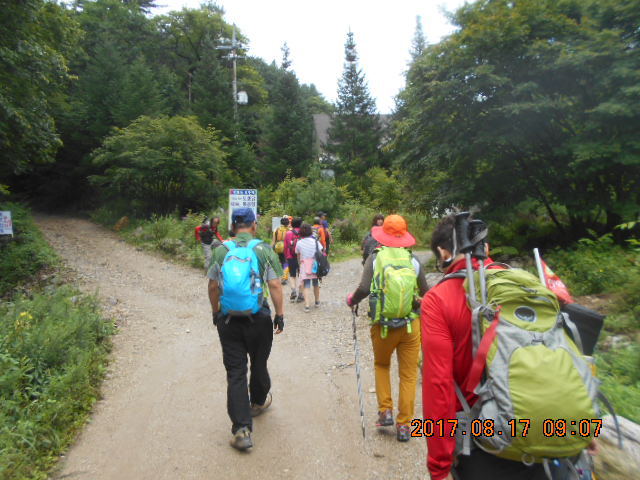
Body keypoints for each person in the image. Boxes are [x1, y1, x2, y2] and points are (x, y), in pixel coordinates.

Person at [420, 215, 598, 480]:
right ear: (485, 247)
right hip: (554, 436)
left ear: (443, 252)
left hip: (485, 445)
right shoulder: (525, 286)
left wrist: (439, 464)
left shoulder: (438, 300)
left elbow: (438, 386)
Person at [207, 207, 285, 451]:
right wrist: (280, 314)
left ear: (233, 226)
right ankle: (258, 401)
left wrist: (215, 312)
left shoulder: (221, 250)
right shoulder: (264, 249)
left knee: (236, 373)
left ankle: (241, 430)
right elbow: (275, 284)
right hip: (258, 318)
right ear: (253, 225)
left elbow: (213, 286)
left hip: (228, 320)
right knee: (259, 363)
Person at [346, 214, 428, 442]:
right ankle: (404, 425)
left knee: (382, 365)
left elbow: (364, 288)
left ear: (382, 235)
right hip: (410, 325)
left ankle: (385, 412)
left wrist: (352, 300)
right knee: (408, 375)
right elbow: (426, 292)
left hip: (382, 325)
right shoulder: (413, 260)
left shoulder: (375, 258)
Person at [295, 223, 323, 313]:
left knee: (306, 285)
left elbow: (298, 255)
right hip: (315, 265)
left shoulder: (299, 243)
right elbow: (321, 252)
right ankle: (317, 302)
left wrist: (299, 264)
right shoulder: (315, 241)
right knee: (316, 283)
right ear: (310, 231)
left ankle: (307, 305)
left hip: (305, 266)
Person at [284, 217, 304, 303]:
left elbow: (285, 246)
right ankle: (300, 295)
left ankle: (293, 291)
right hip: (302, 257)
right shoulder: (304, 232)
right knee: (301, 275)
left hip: (290, 256)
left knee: (292, 275)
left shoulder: (288, 233)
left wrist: (286, 256)